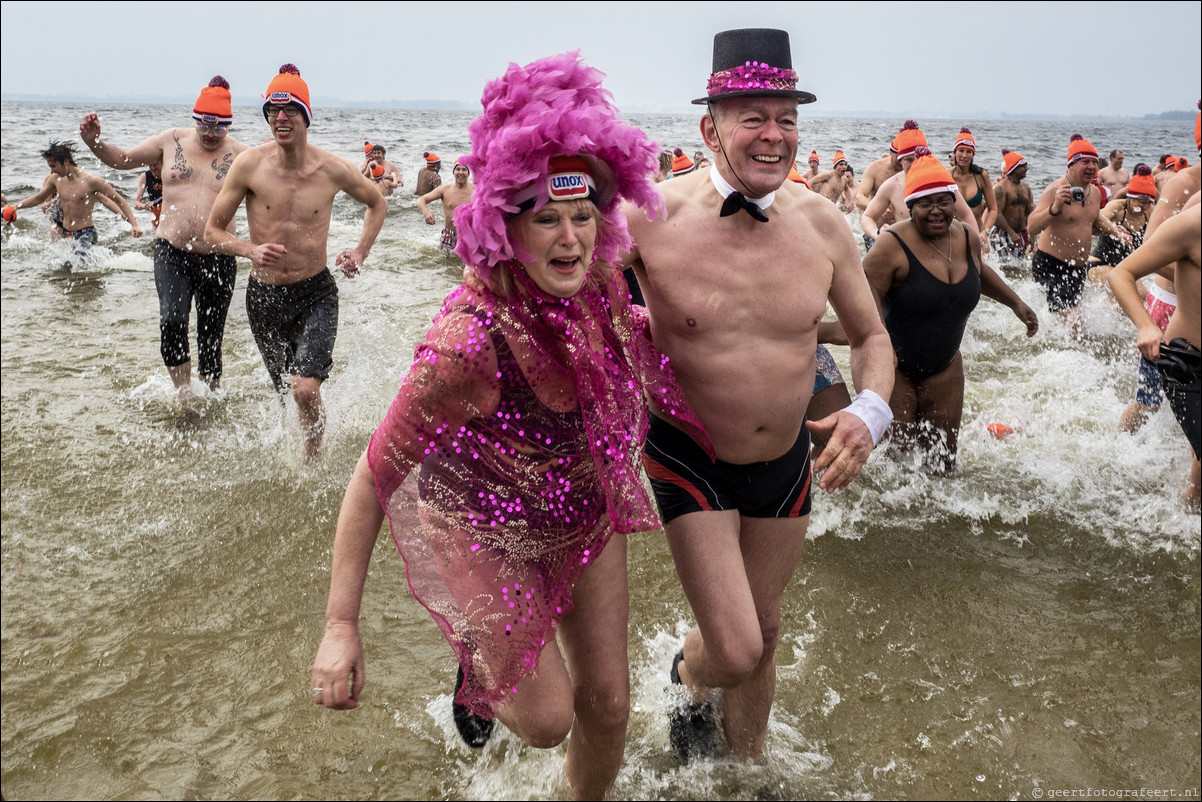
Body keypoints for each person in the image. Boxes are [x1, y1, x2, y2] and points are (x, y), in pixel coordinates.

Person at [310, 52, 703, 800]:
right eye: (545, 219)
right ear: (502, 225)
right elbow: (372, 477)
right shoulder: (465, 340)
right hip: (479, 527)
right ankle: (478, 662)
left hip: (579, 510)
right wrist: (339, 626)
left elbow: (665, 345)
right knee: (551, 717)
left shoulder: (601, 290)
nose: (569, 239)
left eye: (583, 216)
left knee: (611, 707)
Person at [621, 28, 895, 762]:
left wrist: (870, 411)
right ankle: (687, 672)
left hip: (784, 461)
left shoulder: (823, 224)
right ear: (709, 127)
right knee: (735, 646)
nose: (774, 135)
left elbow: (871, 338)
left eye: (787, 118)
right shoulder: (647, 217)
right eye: (753, 117)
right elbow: (553, 288)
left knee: (765, 630)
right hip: (687, 455)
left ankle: (747, 766)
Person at [203, 64, 387, 461]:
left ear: (306, 116)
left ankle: (311, 461)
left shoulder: (332, 169)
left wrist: (359, 252)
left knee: (305, 388)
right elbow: (212, 232)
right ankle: (304, 443)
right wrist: (249, 250)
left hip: (315, 292)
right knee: (289, 394)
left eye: (289, 110)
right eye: (272, 110)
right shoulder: (249, 165)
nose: (279, 118)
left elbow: (378, 202)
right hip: (264, 297)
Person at [860, 148, 1038, 473]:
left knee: (942, 467)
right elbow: (861, 289)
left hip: (945, 369)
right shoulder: (892, 244)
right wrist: (878, 342)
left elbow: (979, 271)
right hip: (896, 369)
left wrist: (1016, 303)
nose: (936, 211)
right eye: (925, 203)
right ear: (910, 206)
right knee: (896, 472)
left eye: (943, 201)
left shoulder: (967, 236)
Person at [79, 76, 248, 403]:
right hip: (172, 252)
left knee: (211, 338)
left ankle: (209, 402)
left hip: (219, 257)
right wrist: (93, 143)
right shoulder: (171, 141)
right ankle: (184, 398)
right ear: (196, 119)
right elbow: (124, 159)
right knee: (172, 321)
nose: (212, 134)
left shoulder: (242, 155)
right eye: (206, 125)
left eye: (220, 128)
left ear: (228, 125)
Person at [1108, 198, 1201, 506]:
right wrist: (1146, 326)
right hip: (1189, 362)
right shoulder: (1191, 224)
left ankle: (1190, 509)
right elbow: (1121, 273)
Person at [1116, 107, 1201, 435]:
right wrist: (1189, 269)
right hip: (1169, 303)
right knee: (1148, 399)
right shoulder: (1185, 182)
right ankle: (1119, 448)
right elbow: (1148, 245)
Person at [1027, 134, 1132, 325]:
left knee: (1065, 324)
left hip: (1077, 269)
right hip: (1051, 265)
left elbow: (1094, 219)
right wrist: (1055, 207)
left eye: (1094, 162)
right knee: (1075, 323)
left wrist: (1116, 231)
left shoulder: (1094, 192)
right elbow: (1031, 226)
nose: (1091, 166)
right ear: (1071, 165)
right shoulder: (1055, 191)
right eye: (1085, 162)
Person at [8, 140, 142, 262]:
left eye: (54, 166)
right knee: (65, 267)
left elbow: (118, 200)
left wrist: (134, 224)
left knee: (79, 258)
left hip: (86, 233)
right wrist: (16, 206)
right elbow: (38, 198)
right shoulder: (55, 179)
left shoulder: (91, 182)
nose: (52, 170)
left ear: (66, 161)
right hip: (67, 234)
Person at [861, 121, 978, 249]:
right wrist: (877, 233)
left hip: (939, 248)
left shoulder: (940, 180)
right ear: (901, 161)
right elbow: (867, 217)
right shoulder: (892, 185)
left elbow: (966, 215)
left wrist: (975, 250)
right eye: (908, 160)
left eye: (917, 158)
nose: (914, 164)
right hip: (907, 250)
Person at [1090, 164, 1154, 268]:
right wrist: (1115, 230)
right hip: (1100, 262)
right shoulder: (1117, 206)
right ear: (1131, 198)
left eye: (1148, 202)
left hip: (1127, 268)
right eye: (1141, 202)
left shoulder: (1151, 211)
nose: (1145, 207)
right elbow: (1096, 219)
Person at [949, 127, 998, 243]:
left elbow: (993, 209)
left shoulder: (981, 176)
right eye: (961, 150)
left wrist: (985, 232)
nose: (964, 155)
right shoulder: (946, 176)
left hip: (977, 235)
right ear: (954, 152)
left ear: (973, 154)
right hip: (953, 236)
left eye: (969, 151)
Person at [416, 157, 475, 254]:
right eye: (458, 169)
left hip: (470, 235)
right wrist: (426, 212)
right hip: (449, 234)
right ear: (453, 172)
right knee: (446, 266)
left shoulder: (476, 191)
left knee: (468, 266)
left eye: (464, 169)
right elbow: (421, 200)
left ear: (468, 173)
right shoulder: (445, 190)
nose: (461, 172)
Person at [991, 149, 1034, 259]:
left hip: (1019, 233)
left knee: (1018, 268)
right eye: (1023, 166)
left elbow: (1029, 213)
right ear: (1014, 169)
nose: (1027, 168)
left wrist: (1031, 235)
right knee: (1004, 266)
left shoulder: (1026, 188)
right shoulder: (1001, 188)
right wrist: (1011, 233)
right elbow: (996, 215)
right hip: (1002, 232)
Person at [134, 160, 164, 227]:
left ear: (163, 162)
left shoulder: (171, 174)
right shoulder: (145, 176)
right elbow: (136, 203)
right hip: (157, 218)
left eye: (155, 165)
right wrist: (143, 206)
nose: (153, 168)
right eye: (150, 165)